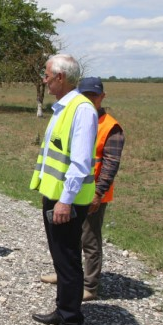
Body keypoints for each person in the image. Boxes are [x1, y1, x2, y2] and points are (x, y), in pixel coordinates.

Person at [29, 54, 98, 325]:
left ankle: (71, 323)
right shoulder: (63, 107)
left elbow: (80, 163)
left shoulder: (81, 109)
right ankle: (61, 309)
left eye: (46, 75)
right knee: (60, 257)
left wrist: (65, 201)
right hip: (55, 196)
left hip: (67, 201)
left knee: (68, 260)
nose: (43, 80)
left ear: (60, 77)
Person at [40, 77, 125, 302]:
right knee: (69, 240)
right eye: (85, 95)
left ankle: (90, 285)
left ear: (102, 97)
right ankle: (66, 276)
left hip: (92, 193)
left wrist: (98, 194)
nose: (89, 100)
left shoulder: (110, 126)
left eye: (93, 96)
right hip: (72, 191)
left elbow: (110, 164)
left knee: (89, 239)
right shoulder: (77, 115)